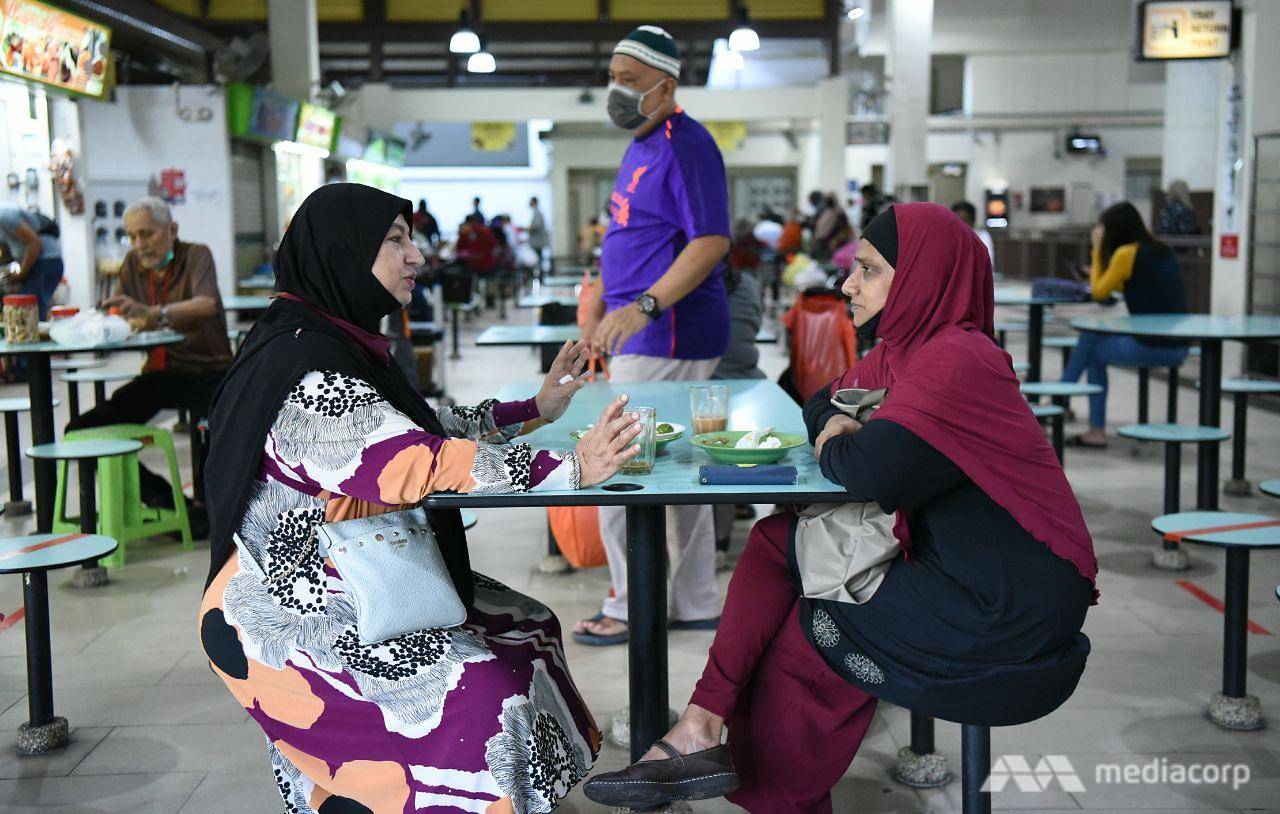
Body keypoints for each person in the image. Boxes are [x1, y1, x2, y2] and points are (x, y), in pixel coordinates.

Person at [584, 203, 1097, 812]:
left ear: (925, 279)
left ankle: (733, 757)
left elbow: (866, 470)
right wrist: (840, 427)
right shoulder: (907, 348)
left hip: (1004, 605)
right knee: (778, 537)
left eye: (871, 270)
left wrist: (838, 436)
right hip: (955, 571)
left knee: (807, 636)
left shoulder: (958, 359)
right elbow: (818, 397)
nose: (849, 283)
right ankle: (699, 725)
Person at [200, 183, 647, 814]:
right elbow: (420, 462)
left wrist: (537, 409)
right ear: (344, 254)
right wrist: (570, 468)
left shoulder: (330, 339)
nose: (417, 255)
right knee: (488, 688)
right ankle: (399, 792)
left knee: (531, 626)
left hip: (354, 569)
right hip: (297, 604)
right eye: (394, 240)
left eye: (411, 237)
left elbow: (422, 426)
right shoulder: (308, 372)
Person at [575, 24, 732, 645]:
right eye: (613, 77)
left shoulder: (687, 144)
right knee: (682, 471)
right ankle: (693, 601)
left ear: (665, 87)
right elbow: (633, 239)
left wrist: (642, 307)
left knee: (618, 468)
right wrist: (598, 308)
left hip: (667, 336)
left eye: (630, 81)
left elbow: (711, 240)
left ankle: (629, 604)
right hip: (640, 332)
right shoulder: (642, 143)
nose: (617, 90)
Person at [69, 197, 231, 526]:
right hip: (161, 374)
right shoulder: (132, 264)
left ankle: (210, 512)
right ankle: (172, 506)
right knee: (83, 430)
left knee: (217, 428)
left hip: (208, 369)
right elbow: (124, 314)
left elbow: (206, 304)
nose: (140, 245)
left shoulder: (196, 255)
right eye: (132, 236)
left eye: (147, 234)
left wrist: (155, 314)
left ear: (171, 230)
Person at [1062, 201, 1189, 447]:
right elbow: (1133, 286)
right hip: (1180, 344)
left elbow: (1099, 292)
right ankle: (1061, 398)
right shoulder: (1162, 250)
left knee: (1092, 348)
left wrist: (1097, 250)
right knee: (1092, 338)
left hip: (1151, 345)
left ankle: (1082, 419)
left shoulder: (1126, 253)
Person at [0, 202, 62, 319]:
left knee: (29, 312)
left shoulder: (5, 217)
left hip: (45, 261)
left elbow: (35, 244)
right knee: (28, 312)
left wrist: (21, 274)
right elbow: (8, 253)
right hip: (36, 264)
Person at [951, 200, 995, 270]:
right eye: (957, 221)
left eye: (965, 220)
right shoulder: (949, 238)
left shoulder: (982, 237)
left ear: (973, 221)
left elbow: (987, 263)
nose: (961, 224)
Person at [527, 196, 549, 270]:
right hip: (536, 241)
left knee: (538, 260)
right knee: (538, 259)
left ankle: (539, 276)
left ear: (534, 202)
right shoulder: (536, 212)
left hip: (537, 242)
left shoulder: (538, 213)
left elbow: (535, 227)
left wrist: (525, 229)